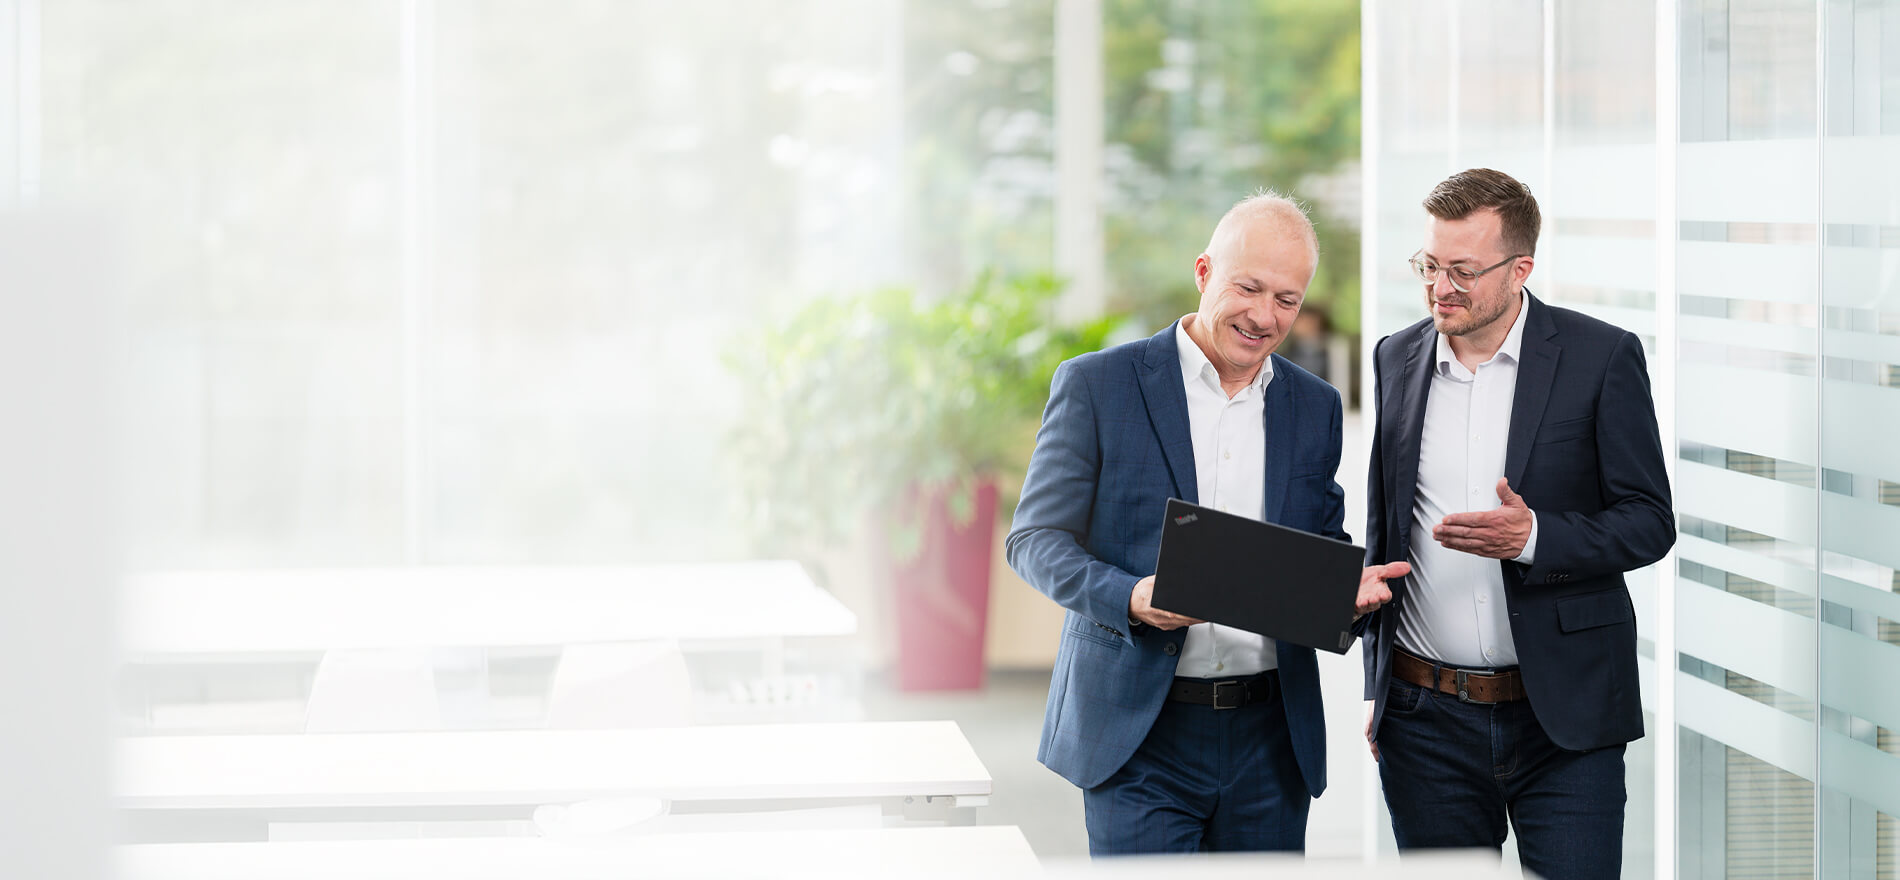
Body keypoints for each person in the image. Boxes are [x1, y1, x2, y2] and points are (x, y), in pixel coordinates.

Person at [1007, 191, 1407, 855]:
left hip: (1270, 738)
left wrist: (1347, 593)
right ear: (1203, 272)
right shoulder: (1098, 386)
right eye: (1247, 287)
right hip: (1139, 734)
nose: (1263, 316)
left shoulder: (1314, 408)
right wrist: (1130, 599)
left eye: (1287, 299)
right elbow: (1034, 542)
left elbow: (1317, 548)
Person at [1359, 168, 1674, 879]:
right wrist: (1378, 689)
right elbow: (1385, 527)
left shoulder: (1601, 358)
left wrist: (1533, 539)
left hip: (1564, 721)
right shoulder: (1395, 358)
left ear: (1519, 268)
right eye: (1431, 266)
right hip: (1424, 719)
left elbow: (1649, 522)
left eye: (1464, 271)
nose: (1442, 287)